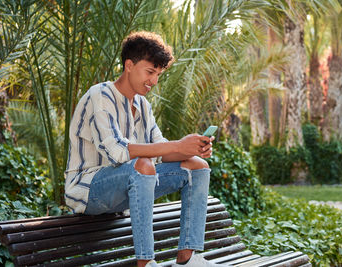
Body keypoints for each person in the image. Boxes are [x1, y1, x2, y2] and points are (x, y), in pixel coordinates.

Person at [64, 31, 228, 267]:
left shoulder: (143, 105)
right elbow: (117, 152)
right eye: (150, 72)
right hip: (88, 190)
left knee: (197, 167)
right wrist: (178, 146)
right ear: (129, 65)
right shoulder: (100, 96)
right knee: (143, 164)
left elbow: (160, 149)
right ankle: (145, 263)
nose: (154, 81)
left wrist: (189, 148)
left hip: (128, 186)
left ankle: (187, 258)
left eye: (159, 74)